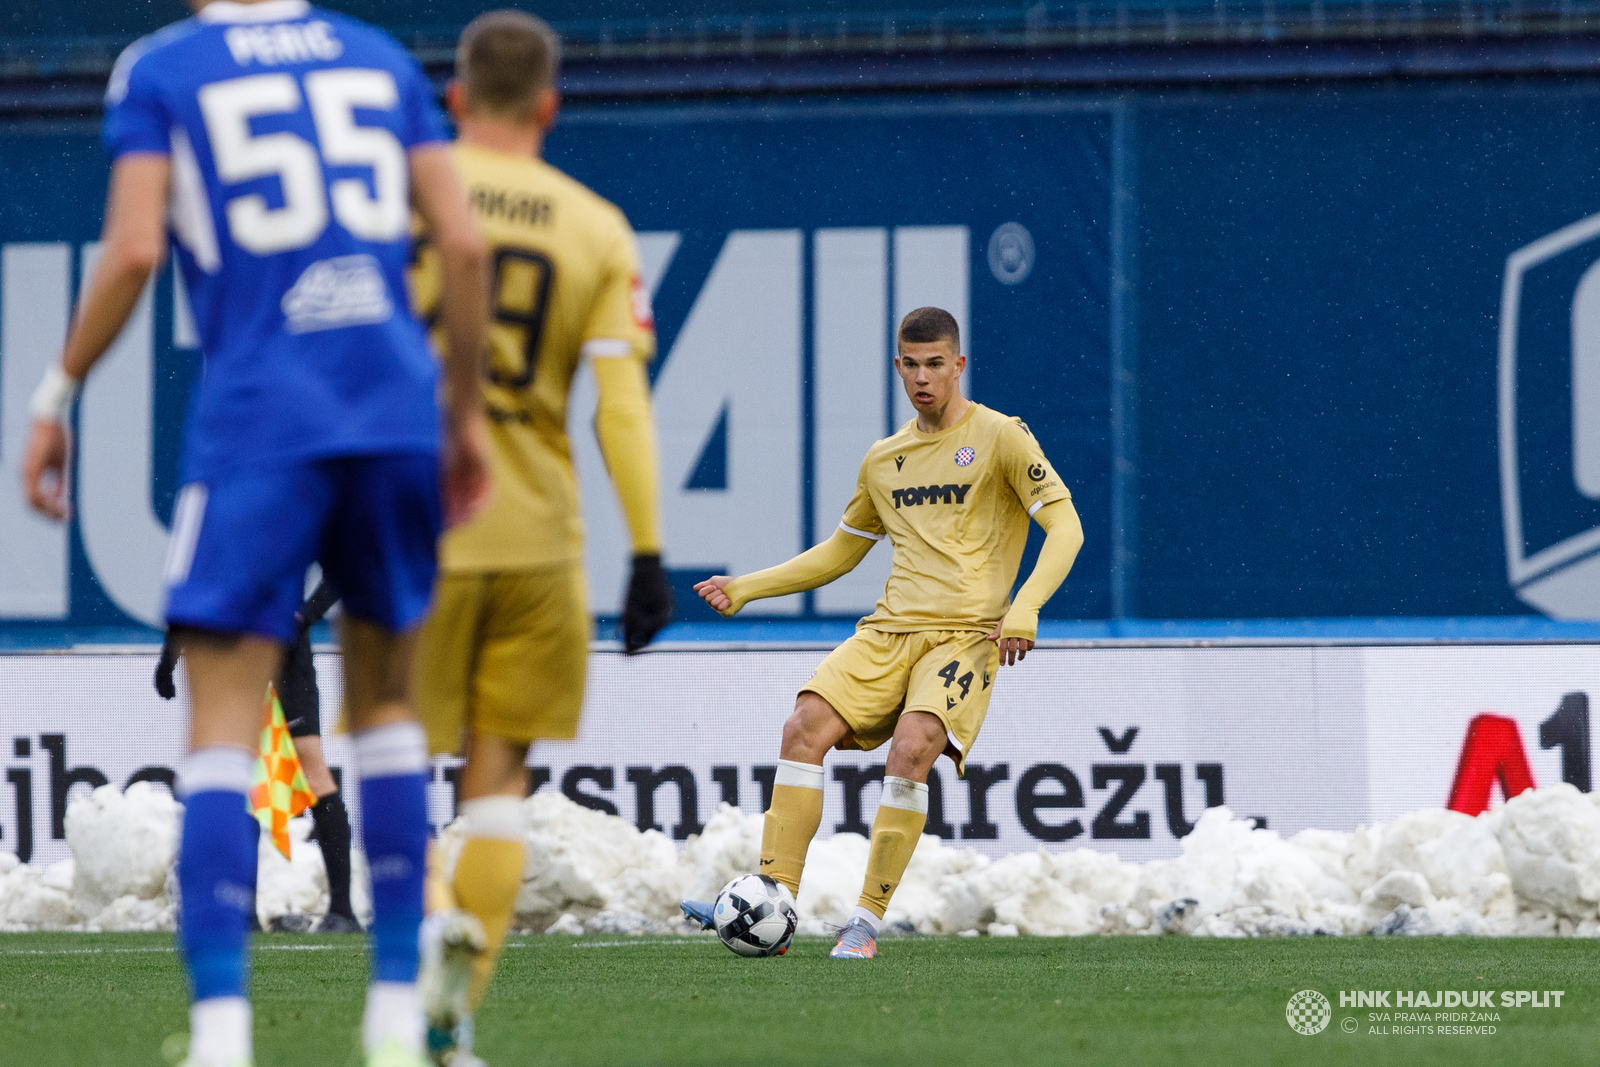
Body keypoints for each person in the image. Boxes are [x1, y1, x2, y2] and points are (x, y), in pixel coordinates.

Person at [20, 0, 492, 1064]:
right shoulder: (376, 58)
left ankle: (224, 1031)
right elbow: (461, 244)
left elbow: (137, 246)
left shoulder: (164, 68)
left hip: (260, 423)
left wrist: (56, 394)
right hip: (391, 412)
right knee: (385, 723)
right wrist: (459, 414)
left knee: (223, 733)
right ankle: (391, 1015)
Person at [405, 11, 671, 1064]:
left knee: (388, 758)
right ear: (551, 107)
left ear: (455, 99)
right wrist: (647, 550)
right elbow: (621, 408)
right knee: (498, 780)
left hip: (416, 524)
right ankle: (455, 1021)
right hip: (539, 537)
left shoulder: (403, 201)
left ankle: (427, 925)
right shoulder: (596, 226)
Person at [681, 306, 1084, 959]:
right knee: (804, 723)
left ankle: (864, 921)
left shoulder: (1002, 437)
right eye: (912, 365)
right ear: (898, 367)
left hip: (965, 635)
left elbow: (1066, 526)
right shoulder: (885, 459)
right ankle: (773, 900)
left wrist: (1028, 603)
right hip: (891, 628)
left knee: (912, 744)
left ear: (958, 365)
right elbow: (840, 552)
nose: (923, 377)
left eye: (936, 364)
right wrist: (748, 586)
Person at [156, 580, 361, 934]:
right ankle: (329, 911)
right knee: (258, 765)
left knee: (257, 764)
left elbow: (193, 581)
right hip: (259, 633)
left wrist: (169, 656)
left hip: (242, 633)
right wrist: (305, 614)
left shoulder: (223, 526)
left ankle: (257, 911)